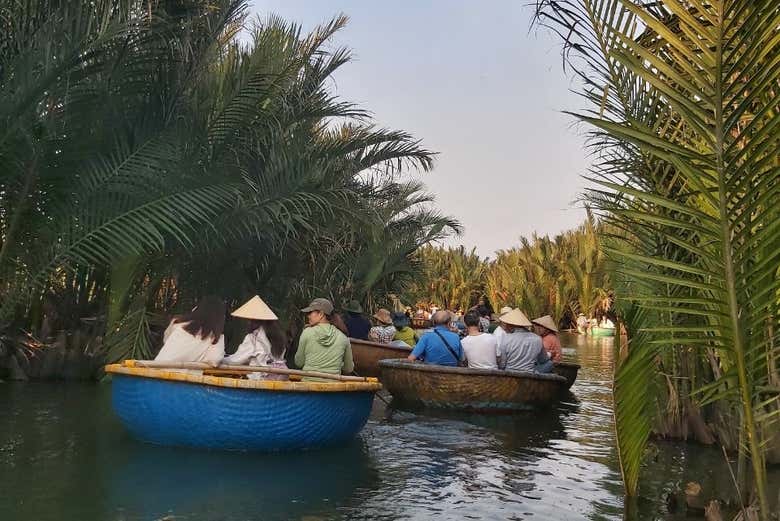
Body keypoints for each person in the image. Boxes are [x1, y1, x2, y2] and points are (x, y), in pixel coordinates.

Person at [223, 296, 288, 380]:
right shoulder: (279, 337)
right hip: (279, 378)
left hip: (260, 379)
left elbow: (236, 360)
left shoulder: (253, 337)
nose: (247, 322)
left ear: (253, 320)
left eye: (249, 319)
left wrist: (221, 359)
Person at [155, 296, 226, 367]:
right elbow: (214, 360)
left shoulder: (178, 324)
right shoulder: (215, 338)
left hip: (155, 367)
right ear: (220, 318)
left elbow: (166, 340)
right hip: (179, 374)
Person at [295, 298, 354, 380]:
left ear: (321, 314)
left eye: (310, 313)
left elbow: (299, 363)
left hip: (308, 385)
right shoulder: (343, 337)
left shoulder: (307, 332)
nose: (308, 316)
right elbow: (349, 369)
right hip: (333, 387)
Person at [496, 309, 552, 373]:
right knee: (549, 363)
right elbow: (543, 360)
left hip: (510, 373)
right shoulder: (537, 338)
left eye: (506, 324)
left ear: (511, 325)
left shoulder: (506, 338)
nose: (505, 327)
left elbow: (502, 364)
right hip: (530, 373)